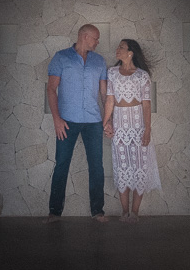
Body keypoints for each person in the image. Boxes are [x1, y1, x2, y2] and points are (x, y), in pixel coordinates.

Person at [46, 23, 108, 222]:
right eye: (96, 38)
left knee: (97, 166)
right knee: (62, 164)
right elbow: (51, 89)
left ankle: (97, 211)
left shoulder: (99, 61)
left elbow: (105, 94)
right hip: (66, 122)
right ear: (84, 36)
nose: (98, 42)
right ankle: (54, 212)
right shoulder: (61, 57)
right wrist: (56, 119)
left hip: (93, 121)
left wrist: (108, 121)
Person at [103, 39, 161, 222]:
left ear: (130, 53)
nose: (117, 49)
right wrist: (106, 123)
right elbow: (110, 100)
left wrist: (147, 130)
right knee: (122, 167)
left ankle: (135, 212)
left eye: (121, 47)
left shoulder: (142, 76)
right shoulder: (111, 73)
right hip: (120, 124)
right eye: (118, 46)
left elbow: (146, 104)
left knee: (139, 167)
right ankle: (124, 212)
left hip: (138, 125)